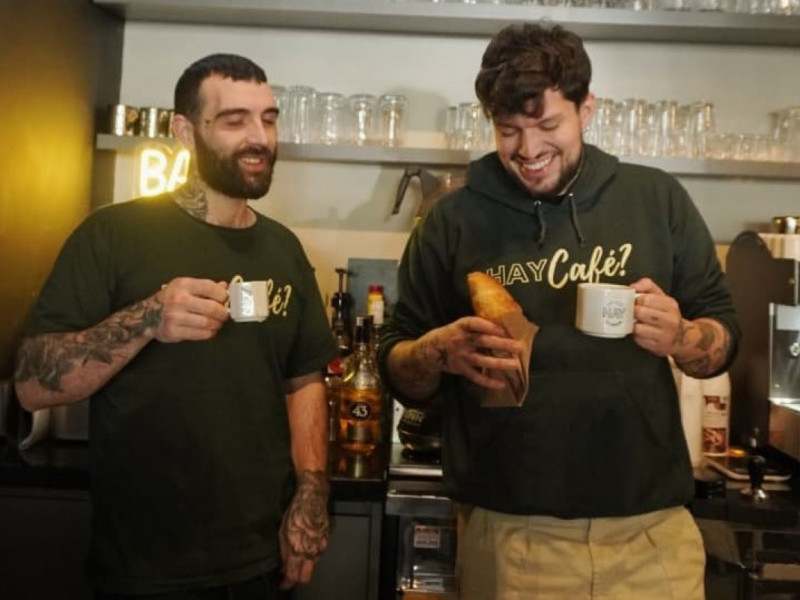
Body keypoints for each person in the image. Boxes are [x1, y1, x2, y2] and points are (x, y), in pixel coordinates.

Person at [378, 24, 739, 600]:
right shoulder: (452, 219)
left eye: (548, 126)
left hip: (653, 535)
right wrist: (437, 351)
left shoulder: (656, 199)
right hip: (511, 535)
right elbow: (395, 367)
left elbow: (723, 337)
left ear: (586, 108)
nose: (528, 151)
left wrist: (683, 334)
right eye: (509, 131)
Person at [14, 54, 337, 599]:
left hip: (262, 559)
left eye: (269, 118)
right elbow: (31, 383)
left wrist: (310, 498)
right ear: (184, 131)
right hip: (145, 566)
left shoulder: (284, 248)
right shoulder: (114, 235)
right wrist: (147, 318)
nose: (259, 136)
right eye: (235, 121)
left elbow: (303, 380)